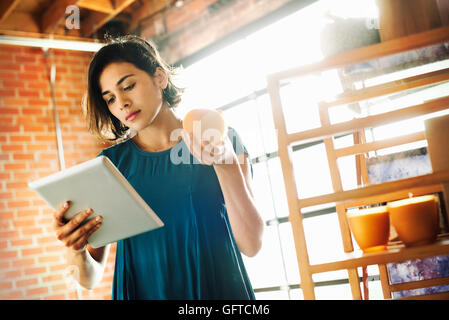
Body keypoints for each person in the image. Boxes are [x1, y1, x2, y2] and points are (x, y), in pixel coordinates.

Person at [52, 35, 264, 300]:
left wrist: (226, 164)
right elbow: (90, 278)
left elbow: (252, 244)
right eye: (110, 99)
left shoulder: (220, 140)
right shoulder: (111, 165)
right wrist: (76, 248)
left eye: (128, 85)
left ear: (160, 77)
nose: (122, 103)